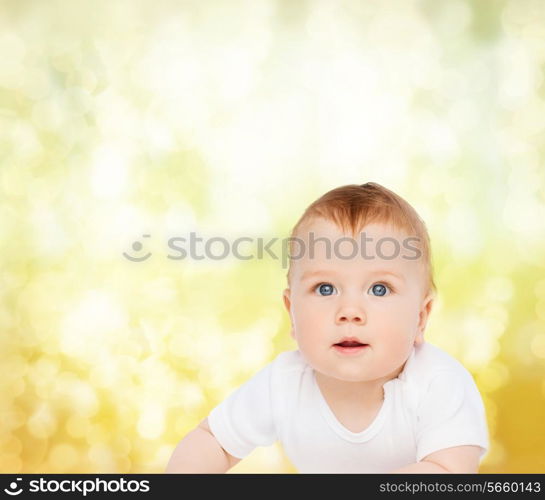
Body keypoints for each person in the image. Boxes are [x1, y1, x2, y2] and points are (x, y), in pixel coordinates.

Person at [165, 182, 489, 473]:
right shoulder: (283, 383)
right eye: (325, 289)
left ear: (421, 317)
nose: (349, 312)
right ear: (292, 313)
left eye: (379, 289)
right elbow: (213, 441)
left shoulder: (439, 383)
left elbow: (449, 473)